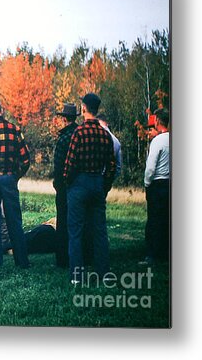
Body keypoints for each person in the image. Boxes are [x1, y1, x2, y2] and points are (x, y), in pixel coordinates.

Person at [63, 93, 116, 284]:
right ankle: (103, 272)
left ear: (84, 108)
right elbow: (111, 164)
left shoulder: (79, 133)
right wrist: (104, 184)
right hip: (97, 183)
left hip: (79, 183)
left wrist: (68, 182)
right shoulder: (105, 135)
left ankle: (77, 275)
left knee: (75, 231)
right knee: (100, 230)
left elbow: (69, 164)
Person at [0, 99, 31, 269]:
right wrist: (15, 176)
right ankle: (22, 261)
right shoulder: (14, 129)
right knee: (14, 220)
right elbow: (26, 159)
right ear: (1, 110)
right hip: (9, 178)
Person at [82, 112, 123, 266]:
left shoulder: (95, 136)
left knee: (86, 218)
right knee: (99, 220)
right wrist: (107, 183)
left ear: (99, 122)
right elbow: (117, 167)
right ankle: (100, 256)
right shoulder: (116, 141)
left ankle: (88, 252)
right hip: (103, 183)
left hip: (89, 180)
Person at [140, 108, 170, 265]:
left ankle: (151, 254)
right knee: (167, 219)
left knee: (153, 220)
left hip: (157, 183)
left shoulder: (158, 141)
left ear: (158, 121)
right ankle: (166, 252)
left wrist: (147, 183)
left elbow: (151, 167)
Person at [52, 103, 80, 268]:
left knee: (62, 221)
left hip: (64, 185)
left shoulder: (63, 138)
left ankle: (62, 259)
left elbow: (58, 165)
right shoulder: (80, 134)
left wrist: (57, 184)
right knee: (78, 221)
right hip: (79, 183)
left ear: (64, 118)